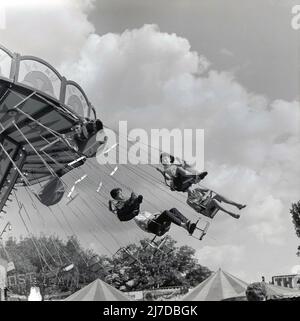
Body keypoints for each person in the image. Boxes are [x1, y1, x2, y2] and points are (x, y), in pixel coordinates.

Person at [109, 188, 197, 236]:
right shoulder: (126, 210)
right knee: (166, 213)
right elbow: (128, 213)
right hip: (153, 228)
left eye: (121, 193)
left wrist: (157, 214)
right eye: (119, 194)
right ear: (116, 197)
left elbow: (149, 215)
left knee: (173, 210)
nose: (122, 195)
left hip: (157, 224)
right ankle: (183, 225)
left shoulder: (143, 212)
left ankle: (187, 226)